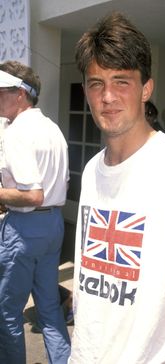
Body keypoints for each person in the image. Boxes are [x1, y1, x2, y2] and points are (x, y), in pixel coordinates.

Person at [69, 12, 165, 364]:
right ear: (86, 92)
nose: (107, 96)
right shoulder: (93, 169)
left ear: (146, 89)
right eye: (96, 84)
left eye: (121, 81)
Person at [0, 61, 71, 364]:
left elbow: (31, 194)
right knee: (49, 309)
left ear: (20, 94)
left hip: (25, 227)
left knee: (7, 313)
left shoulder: (17, 132)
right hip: (53, 223)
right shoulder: (51, 127)